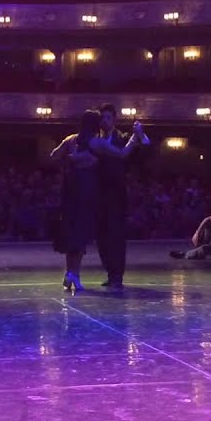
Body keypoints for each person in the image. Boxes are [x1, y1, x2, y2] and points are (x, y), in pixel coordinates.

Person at [50, 111, 138, 291]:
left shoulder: (71, 139)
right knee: (80, 234)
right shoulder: (97, 142)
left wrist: (71, 159)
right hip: (87, 191)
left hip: (70, 190)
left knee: (71, 231)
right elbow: (122, 154)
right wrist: (135, 137)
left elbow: (54, 155)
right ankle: (74, 274)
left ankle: (71, 272)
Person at [93, 103, 149, 290]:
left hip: (117, 195)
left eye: (108, 117)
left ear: (114, 120)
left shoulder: (123, 138)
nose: (104, 121)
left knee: (116, 237)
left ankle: (117, 275)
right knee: (101, 238)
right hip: (98, 195)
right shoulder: (94, 140)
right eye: (102, 118)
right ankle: (110, 272)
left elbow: (143, 152)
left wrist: (140, 135)